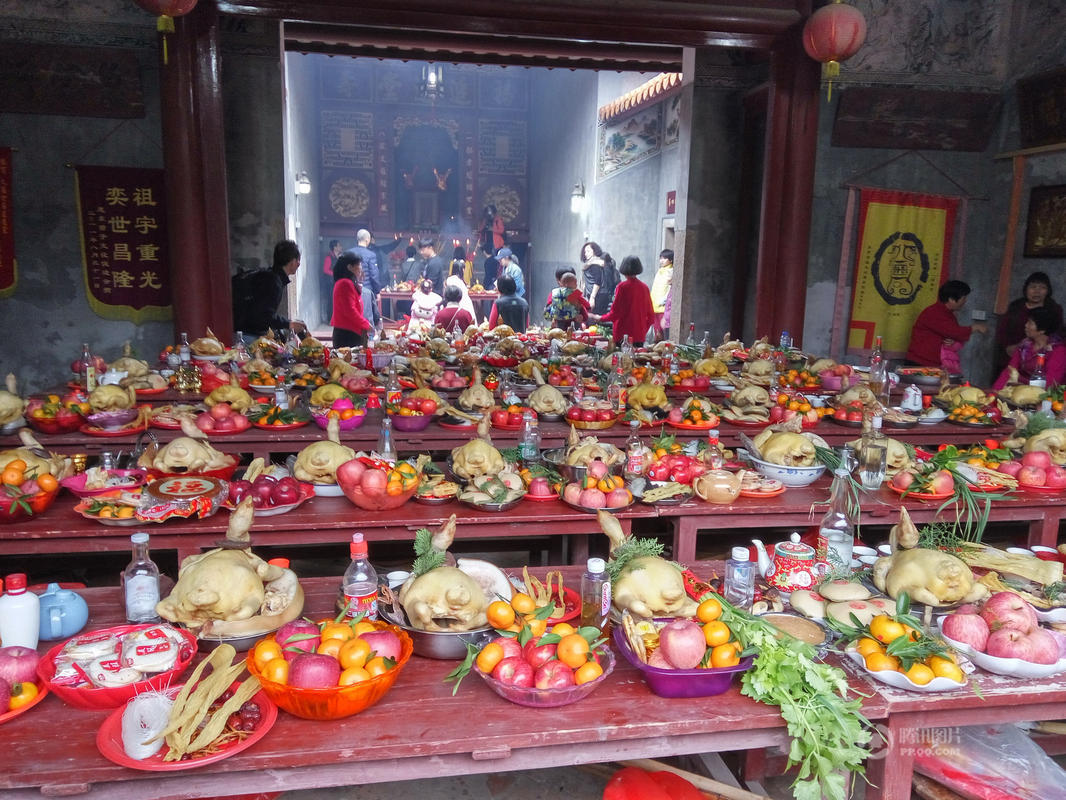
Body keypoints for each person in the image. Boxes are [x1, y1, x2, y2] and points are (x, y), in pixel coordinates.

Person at [904, 280, 988, 369]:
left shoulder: (948, 314)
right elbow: (954, 332)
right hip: (920, 363)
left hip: (932, 363)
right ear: (951, 299)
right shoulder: (934, 312)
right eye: (963, 298)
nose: (965, 301)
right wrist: (974, 327)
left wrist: (953, 341)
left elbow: (952, 334)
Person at [994, 271, 1063, 375]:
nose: (1037, 291)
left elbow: (1059, 334)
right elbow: (1002, 331)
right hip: (1012, 356)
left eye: (1042, 287)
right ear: (1026, 289)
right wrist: (1008, 347)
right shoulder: (1016, 307)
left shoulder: (1054, 309)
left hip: (1042, 357)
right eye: (1033, 287)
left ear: (1048, 291)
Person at [238, 239, 307, 339]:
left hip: (247, 332)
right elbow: (264, 314)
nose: (299, 264)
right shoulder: (273, 282)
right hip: (249, 336)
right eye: (297, 260)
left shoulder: (270, 276)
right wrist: (289, 324)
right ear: (292, 262)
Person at [992, 307, 1066, 389]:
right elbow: (1009, 371)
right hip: (1023, 390)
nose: (1026, 325)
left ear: (1042, 330)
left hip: (1046, 397)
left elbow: (1050, 384)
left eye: (1030, 323)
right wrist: (995, 392)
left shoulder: (1058, 351)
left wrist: (1020, 381)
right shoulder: (1024, 346)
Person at [591, 255, 656, 346]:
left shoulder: (622, 287)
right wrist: (642, 330)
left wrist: (600, 318)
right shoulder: (644, 287)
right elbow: (651, 315)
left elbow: (615, 312)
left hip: (622, 334)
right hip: (639, 335)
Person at [330, 253, 373, 348]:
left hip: (350, 332)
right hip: (347, 334)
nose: (361, 268)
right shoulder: (345, 283)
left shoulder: (348, 282)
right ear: (350, 267)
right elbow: (350, 311)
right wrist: (365, 324)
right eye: (359, 265)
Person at [579, 241, 617, 315]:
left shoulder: (596, 264)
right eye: (585, 252)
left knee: (595, 317)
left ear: (594, 251)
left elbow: (597, 281)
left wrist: (592, 297)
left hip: (597, 295)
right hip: (598, 294)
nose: (586, 253)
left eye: (588, 251)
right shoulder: (591, 263)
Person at [346, 229, 380, 297]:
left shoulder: (348, 253)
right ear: (367, 240)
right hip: (365, 291)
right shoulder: (371, 255)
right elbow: (374, 275)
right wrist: (377, 291)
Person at [650, 248, 674, 340]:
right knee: (657, 333)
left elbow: (670, 289)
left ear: (671, 260)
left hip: (664, 307)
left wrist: (664, 300)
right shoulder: (660, 271)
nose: (661, 260)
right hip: (655, 306)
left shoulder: (671, 272)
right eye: (661, 258)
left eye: (664, 258)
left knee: (662, 332)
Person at [319, 239, 343, 323]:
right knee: (331, 301)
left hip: (337, 282)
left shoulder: (339, 257)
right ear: (335, 247)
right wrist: (335, 274)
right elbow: (325, 270)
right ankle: (330, 319)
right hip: (330, 283)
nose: (341, 247)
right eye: (339, 245)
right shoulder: (329, 257)